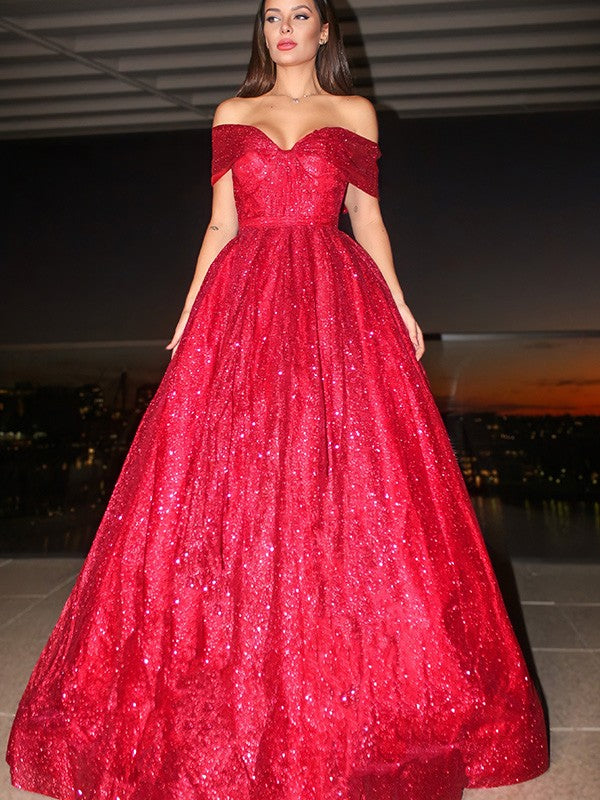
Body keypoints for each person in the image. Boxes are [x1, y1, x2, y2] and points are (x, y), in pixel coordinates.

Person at [6, 1, 549, 798]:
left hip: (334, 302)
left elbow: (366, 217)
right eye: (271, 16)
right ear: (261, 30)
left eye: (299, 14)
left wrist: (398, 301)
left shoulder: (354, 112)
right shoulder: (233, 113)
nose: (284, 28)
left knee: (349, 478)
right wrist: (189, 312)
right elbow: (220, 226)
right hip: (244, 302)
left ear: (326, 29)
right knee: (228, 477)